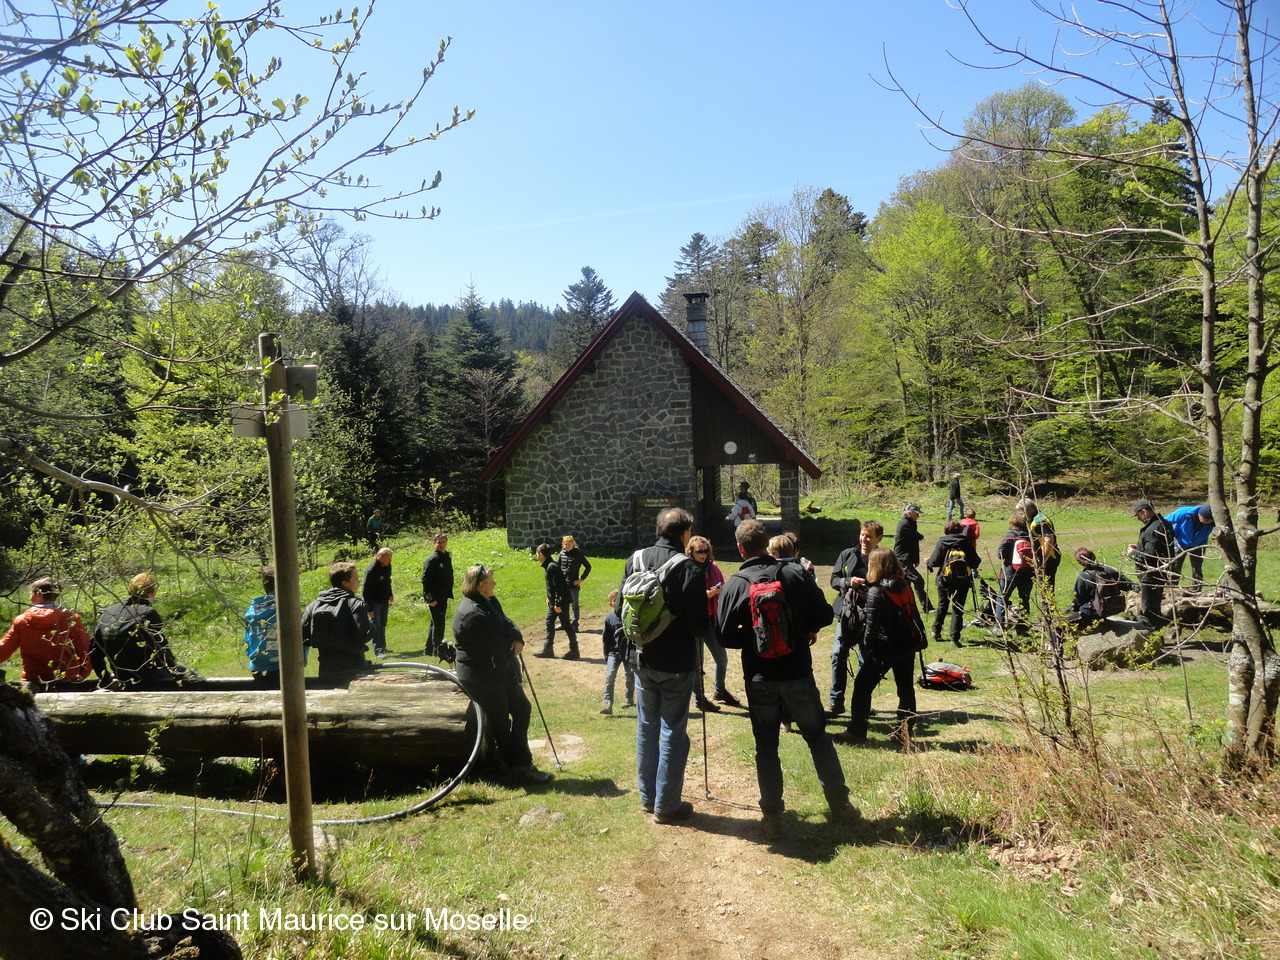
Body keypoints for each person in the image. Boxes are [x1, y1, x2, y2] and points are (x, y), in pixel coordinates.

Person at [717, 519, 860, 840]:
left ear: (740, 549)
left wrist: (755, 641)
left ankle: (772, 818)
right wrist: (800, 632)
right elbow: (825, 615)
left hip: (759, 677)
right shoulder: (794, 573)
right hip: (797, 671)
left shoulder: (736, 583)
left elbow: (723, 635)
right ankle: (841, 807)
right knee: (818, 739)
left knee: (766, 747)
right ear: (767, 544)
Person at [614, 506, 708, 824]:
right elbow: (699, 626)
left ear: (658, 530)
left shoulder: (635, 560)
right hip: (677, 663)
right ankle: (666, 805)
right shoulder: (689, 568)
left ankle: (648, 798)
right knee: (673, 733)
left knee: (646, 728)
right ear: (685, 533)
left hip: (640, 658)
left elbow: (619, 608)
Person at [452, 563, 550, 783]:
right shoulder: (472, 614)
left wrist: (517, 637)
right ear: (480, 585)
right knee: (501, 723)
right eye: (491, 581)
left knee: (522, 709)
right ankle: (519, 767)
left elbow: (506, 621)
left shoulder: (489, 601)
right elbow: (494, 645)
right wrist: (511, 642)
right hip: (482, 676)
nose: (495, 584)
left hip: (499, 669)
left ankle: (515, 759)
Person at [837, 548, 918, 745]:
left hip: (885, 646)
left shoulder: (877, 590)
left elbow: (871, 627)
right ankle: (904, 732)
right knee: (905, 689)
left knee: (862, 687)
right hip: (907, 644)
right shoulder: (904, 583)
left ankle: (856, 731)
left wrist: (867, 648)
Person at [91, 573, 192, 686]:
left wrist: (104, 675)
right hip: (146, 674)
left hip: (122, 675)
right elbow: (161, 647)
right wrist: (175, 670)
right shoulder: (147, 613)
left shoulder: (109, 612)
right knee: (190, 674)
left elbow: (94, 649)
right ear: (152, 592)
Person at [827, 520, 881, 717]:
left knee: (865, 659)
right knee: (837, 654)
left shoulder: (882, 558)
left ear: (878, 539)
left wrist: (871, 593)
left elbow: (889, 583)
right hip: (847, 612)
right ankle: (836, 701)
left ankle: (862, 703)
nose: (864, 539)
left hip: (870, 614)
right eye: (862, 535)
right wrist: (849, 581)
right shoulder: (847, 554)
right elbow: (834, 579)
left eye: (869, 536)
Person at [0, 576, 91, 684]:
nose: (29, 597)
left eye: (31, 593)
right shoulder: (70, 619)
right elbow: (85, 649)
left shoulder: (22, 621)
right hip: (66, 678)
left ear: (39, 594)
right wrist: (83, 673)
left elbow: (4, 649)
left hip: (33, 679)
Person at [686, 534, 740, 712]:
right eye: (699, 552)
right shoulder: (687, 568)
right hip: (695, 624)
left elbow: (722, 584)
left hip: (712, 622)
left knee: (722, 660)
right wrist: (705, 595)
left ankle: (720, 691)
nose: (703, 555)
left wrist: (719, 589)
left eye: (706, 551)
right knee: (697, 665)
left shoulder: (713, 567)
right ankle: (699, 699)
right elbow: (685, 596)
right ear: (691, 552)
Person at [302, 561, 373, 683]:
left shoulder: (314, 605)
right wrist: (371, 623)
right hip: (354, 668)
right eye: (356, 579)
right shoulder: (355, 604)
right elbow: (364, 634)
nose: (359, 582)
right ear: (345, 583)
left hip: (326, 669)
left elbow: (303, 635)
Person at [926, 520, 982, 647]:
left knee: (942, 606)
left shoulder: (942, 541)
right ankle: (954, 638)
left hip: (944, 579)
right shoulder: (966, 542)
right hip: (963, 581)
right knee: (958, 608)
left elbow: (934, 561)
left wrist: (928, 562)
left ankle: (936, 631)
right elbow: (976, 562)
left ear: (946, 530)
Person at [1129, 499, 1177, 627]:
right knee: (1155, 603)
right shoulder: (1164, 524)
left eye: (1138, 515)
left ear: (1144, 512)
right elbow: (1158, 549)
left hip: (1150, 573)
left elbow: (1149, 556)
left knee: (1149, 606)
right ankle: (1155, 625)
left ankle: (1153, 629)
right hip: (1161, 570)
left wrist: (1133, 553)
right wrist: (1139, 548)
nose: (1138, 518)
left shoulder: (1152, 529)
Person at [1066, 547, 1136, 631]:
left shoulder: (1084, 577)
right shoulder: (1109, 570)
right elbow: (1129, 585)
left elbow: (1077, 600)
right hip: (1115, 607)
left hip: (1094, 611)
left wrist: (1067, 613)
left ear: (1080, 562)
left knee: (1061, 622)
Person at [535, 542, 579, 659]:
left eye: (537, 553)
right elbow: (552, 587)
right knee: (549, 622)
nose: (536, 556)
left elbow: (559, 587)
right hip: (555, 602)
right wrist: (549, 598)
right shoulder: (549, 566)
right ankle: (548, 650)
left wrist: (557, 603)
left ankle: (574, 650)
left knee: (566, 624)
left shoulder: (552, 567)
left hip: (561, 602)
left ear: (541, 554)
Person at [994, 510, 1034, 637]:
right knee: (1024, 600)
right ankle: (1022, 628)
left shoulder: (1009, 536)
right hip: (1028, 573)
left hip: (1010, 573)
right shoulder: (1031, 537)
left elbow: (1000, 554)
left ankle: (1000, 627)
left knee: (1002, 599)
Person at [243, 565, 281, 685]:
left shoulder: (253, 611)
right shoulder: (285, 609)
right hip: (281, 667)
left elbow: (248, 641)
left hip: (257, 667)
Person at [600, 590, 635, 715]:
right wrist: (606, 655)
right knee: (610, 676)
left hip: (628, 652)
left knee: (630, 675)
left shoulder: (630, 615)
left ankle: (629, 697)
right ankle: (607, 703)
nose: (618, 602)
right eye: (615, 600)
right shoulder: (610, 618)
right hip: (613, 653)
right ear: (611, 604)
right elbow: (606, 638)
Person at [421, 533, 455, 658]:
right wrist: (430, 598)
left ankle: (429, 649)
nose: (441, 545)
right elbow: (425, 580)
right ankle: (437, 650)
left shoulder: (446, 557)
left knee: (435, 622)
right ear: (434, 543)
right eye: (438, 542)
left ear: (446, 542)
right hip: (435, 597)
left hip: (443, 595)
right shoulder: (433, 559)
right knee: (439, 623)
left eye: (443, 542)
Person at [1166, 504, 1215, 591]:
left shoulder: (1213, 521)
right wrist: (1171, 533)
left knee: (1196, 567)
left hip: (1199, 544)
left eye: (1211, 521)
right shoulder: (1184, 513)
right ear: (1199, 515)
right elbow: (1165, 521)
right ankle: (1171, 588)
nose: (1209, 522)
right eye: (1207, 520)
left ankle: (1195, 589)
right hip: (1180, 543)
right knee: (1175, 565)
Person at [894, 503, 932, 612]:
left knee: (906, 584)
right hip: (903, 558)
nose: (918, 516)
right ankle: (927, 607)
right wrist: (920, 536)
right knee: (918, 580)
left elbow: (913, 544)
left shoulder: (910, 522)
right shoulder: (905, 523)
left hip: (907, 558)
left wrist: (915, 559)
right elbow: (915, 536)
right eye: (916, 513)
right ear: (910, 513)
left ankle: (906, 607)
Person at [1022, 500, 1062, 594]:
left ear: (1029, 510)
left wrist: (1043, 561)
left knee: (1046, 590)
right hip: (1041, 557)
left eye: (1022, 510)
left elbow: (1049, 539)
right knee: (1042, 587)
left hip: (1048, 558)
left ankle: (1048, 604)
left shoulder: (1040, 520)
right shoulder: (1034, 518)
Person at [362, 547, 394, 659]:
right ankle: (378, 650)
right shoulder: (371, 570)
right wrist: (369, 608)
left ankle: (383, 647)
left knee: (383, 624)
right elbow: (365, 591)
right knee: (376, 625)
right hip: (374, 602)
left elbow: (387, 581)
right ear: (380, 557)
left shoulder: (387, 566)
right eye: (388, 559)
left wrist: (390, 594)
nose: (390, 561)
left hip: (384, 600)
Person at [557, 535, 592, 632]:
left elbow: (588, 567)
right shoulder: (561, 554)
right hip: (563, 584)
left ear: (573, 544)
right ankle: (564, 623)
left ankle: (575, 624)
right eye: (565, 544)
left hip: (573, 584)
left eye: (569, 544)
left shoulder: (578, 555)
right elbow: (557, 567)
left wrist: (581, 579)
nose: (567, 546)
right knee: (563, 605)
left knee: (574, 605)